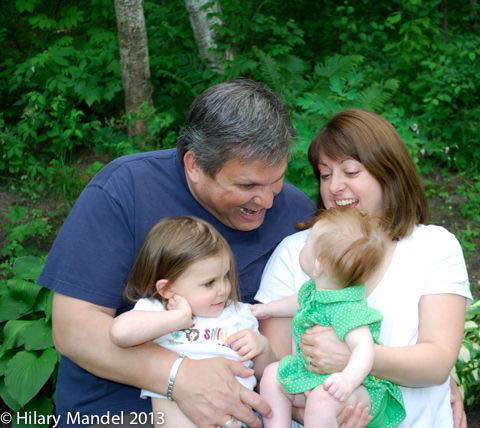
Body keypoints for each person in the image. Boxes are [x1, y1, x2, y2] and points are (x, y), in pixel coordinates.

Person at [38, 78, 315, 428]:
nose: (267, 201)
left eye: (276, 181)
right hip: (119, 413)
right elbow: (74, 329)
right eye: (247, 185)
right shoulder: (125, 189)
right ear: (194, 165)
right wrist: (178, 376)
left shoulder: (295, 213)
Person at [255, 109, 473, 427]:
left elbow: (437, 363)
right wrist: (313, 412)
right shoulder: (296, 251)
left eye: (351, 172)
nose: (335, 186)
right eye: (325, 175)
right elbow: (274, 365)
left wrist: (354, 358)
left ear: (388, 172)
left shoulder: (434, 247)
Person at [110, 216, 274, 427]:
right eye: (209, 283)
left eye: (226, 276)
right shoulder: (159, 313)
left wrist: (262, 348)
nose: (224, 289)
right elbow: (119, 333)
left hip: (236, 417)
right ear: (167, 289)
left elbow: (264, 374)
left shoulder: (239, 314)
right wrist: (179, 318)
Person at [253, 208, 405, 427]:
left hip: (358, 387)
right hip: (314, 376)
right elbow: (297, 303)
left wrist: (348, 379)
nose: (302, 246)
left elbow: (364, 348)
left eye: (307, 243)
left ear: (318, 265)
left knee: (321, 399)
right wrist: (268, 309)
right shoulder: (313, 291)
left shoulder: (348, 308)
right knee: (271, 375)